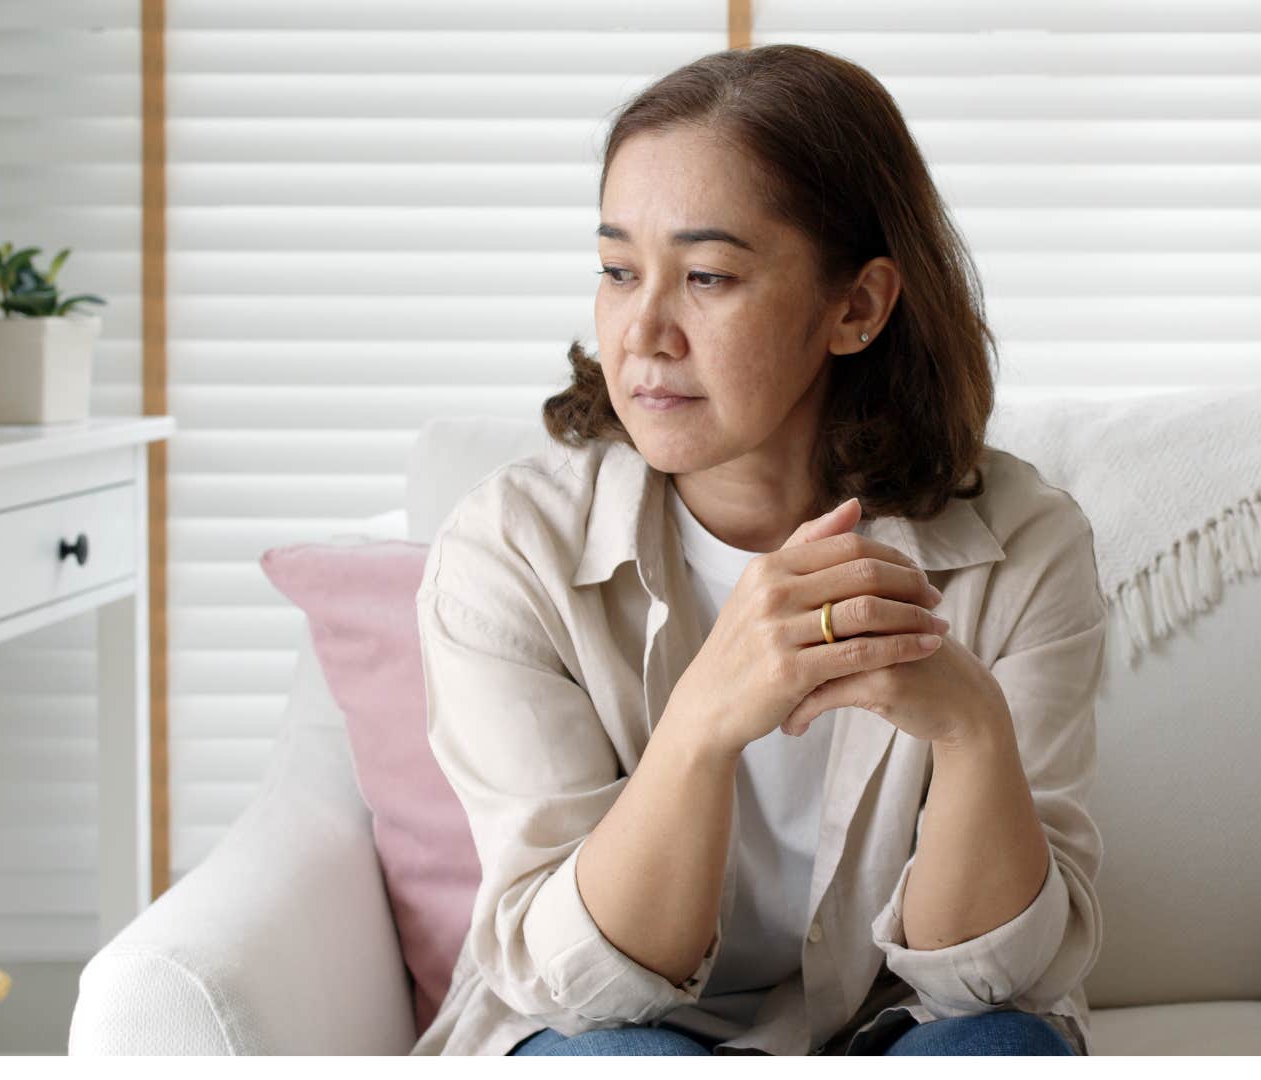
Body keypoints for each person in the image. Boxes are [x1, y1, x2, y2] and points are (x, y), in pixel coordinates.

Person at [408, 44, 1105, 1057]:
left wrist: (971, 732)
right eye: (615, 270)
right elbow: (582, 982)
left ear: (856, 307)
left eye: (706, 276)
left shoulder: (1025, 547)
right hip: (612, 1027)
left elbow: (999, 978)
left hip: (890, 1018)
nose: (642, 331)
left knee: (997, 1048)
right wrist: (702, 722)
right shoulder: (509, 552)